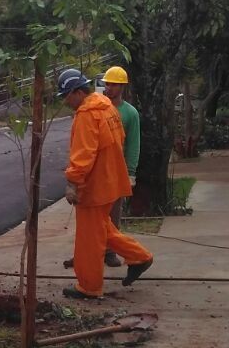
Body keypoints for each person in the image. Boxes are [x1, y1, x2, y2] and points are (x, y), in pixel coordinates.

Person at [57, 68, 152, 300]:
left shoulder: (88, 114)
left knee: (90, 239)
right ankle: (140, 257)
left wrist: (73, 182)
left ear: (77, 92)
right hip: (109, 181)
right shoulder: (106, 107)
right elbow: (118, 140)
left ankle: (89, 287)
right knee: (103, 228)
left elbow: (83, 154)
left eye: (66, 96)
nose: (65, 101)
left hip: (95, 187)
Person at [100, 66, 140, 267]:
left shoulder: (129, 113)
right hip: (99, 171)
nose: (109, 88)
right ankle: (91, 250)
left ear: (122, 86)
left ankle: (110, 251)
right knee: (94, 214)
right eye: (107, 84)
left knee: (114, 213)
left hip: (117, 170)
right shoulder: (98, 108)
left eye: (114, 84)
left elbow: (134, 143)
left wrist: (131, 172)